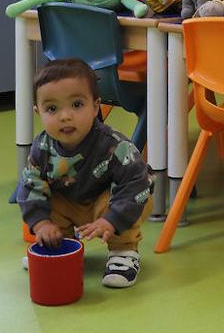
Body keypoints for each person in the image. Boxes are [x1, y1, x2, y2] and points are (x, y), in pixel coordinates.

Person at [17, 58, 155, 288]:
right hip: (73, 200)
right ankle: (61, 246)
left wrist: (111, 220)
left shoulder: (113, 145)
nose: (65, 116)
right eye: (52, 108)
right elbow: (31, 186)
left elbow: (136, 184)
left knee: (117, 198)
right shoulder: (42, 147)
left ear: (95, 106)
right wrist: (41, 224)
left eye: (77, 105)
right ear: (37, 111)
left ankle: (123, 253)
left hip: (116, 200)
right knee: (46, 200)